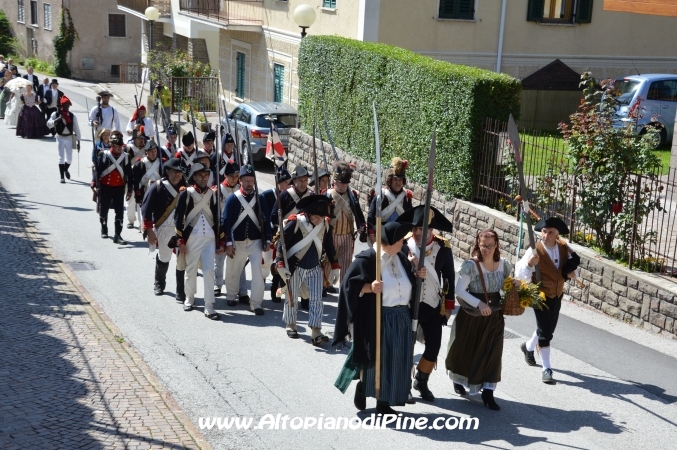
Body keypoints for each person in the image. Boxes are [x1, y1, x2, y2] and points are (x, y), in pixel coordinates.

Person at [333, 221, 425, 415]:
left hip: (401, 318)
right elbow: (348, 286)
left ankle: (385, 402)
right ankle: (364, 387)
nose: (405, 242)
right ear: (391, 242)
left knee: (396, 360)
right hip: (378, 317)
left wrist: (418, 274)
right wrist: (369, 288)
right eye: (401, 240)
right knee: (376, 361)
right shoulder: (367, 259)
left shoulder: (401, 257)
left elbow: (409, 284)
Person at [445, 229, 516, 411]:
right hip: (472, 315)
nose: (487, 249)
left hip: (494, 316)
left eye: (491, 245)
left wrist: (516, 286)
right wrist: (479, 304)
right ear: (478, 243)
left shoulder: (503, 266)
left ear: (496, 245)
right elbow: (459, 290)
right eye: (484, 245)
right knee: (465, 350)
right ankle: (458, 380)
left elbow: (508, 286)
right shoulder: (471, 265)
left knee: (493, 354)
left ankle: (488, 392)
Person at [398, 205, 456, 402]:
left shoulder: (443, 247)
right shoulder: (404, 245)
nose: (417, 232)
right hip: (408, 304)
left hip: (431, 304)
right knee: (406, 346)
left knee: (434, 347)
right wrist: (413, 267)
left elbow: (449, 278)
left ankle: (421, 380)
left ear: (431, 230)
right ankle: (403, 384)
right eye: (415, 228)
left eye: (422, 229)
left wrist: (448, 306)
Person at [515, 217, 580, 384]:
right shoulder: (534, 250)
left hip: (557, 294)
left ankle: (528, 347)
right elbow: (521, 274)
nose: (546, 235)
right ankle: (547, 369)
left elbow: (571, 267)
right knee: (546, 334)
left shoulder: (564, 248)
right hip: (540, 296)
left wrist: (573, 274)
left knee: (548, 329)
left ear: (557, 234)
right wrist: (530, 264)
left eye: (550, 232)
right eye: (544, 232)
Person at [276, 195, 340, 343]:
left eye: (321, 217)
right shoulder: (296, 222)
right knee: (292, 297)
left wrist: (335, 266)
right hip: (295, 266)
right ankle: (291, 324)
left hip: (314, 266)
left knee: (317, 299)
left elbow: (329, 246)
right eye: (316, 217)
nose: (319, 220)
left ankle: (316, 330)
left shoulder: (324, 224)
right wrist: (280, 263)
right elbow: (282, 243)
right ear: (308, 213)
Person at [174, 163, 225, 320]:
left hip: (209, 238)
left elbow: (218, 219)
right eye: (200, 175)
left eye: (206, 175)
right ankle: (189, 298)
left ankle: (209, 305)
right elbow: (178, 218)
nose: (204, 178)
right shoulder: (186, 194)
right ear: (194, 177)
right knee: (191, 271)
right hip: (192, 238)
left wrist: (220, 241)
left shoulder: (213, 194)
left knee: (209, 271)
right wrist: (181, 240)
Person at [221, 164, 272, 315]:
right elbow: (226, 222)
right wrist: (229, 243)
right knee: (233, 269)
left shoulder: (260, 198)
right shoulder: (233, 199)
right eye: (246, 180)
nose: (249, 183)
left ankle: (256, 303)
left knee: (257, 272)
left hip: (255, 242)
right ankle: (231, 295)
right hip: (237, 242)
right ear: (240, 181)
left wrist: (267, 240)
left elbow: (266, 220)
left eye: (251, 180)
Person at [142, 158, 187, 299]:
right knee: (164, 257)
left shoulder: (186, 187)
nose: (177, 175)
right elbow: (146, 210)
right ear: (167, 171)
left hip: (182, 230)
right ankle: (159, 283)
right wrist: (149, 231)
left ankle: (181, 291)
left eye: (179, 172)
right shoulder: (157, 186)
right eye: (174, 171)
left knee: (182, 260)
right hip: (164, 228)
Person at [322, 161, 366, 290]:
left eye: (345, 183)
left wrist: (361, 224)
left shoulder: (352, 196)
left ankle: (344, 291)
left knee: (347, 266)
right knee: (328, 264)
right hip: (332, 236)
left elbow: (358, 212)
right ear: (334, 181)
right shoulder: (327, 195)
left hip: (347, 235)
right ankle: (324, 286)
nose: (343, 185)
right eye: (340, 182)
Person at [214, 160, 247, 299]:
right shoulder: (217, 191)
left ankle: (242, 290)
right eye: (232, 176)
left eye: (237, 176)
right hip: (222, 228)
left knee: (240, 261)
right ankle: (217, 284)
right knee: (219, 258)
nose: (235, 178)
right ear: (225, 176)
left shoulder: (242, 190)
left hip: (238, 228)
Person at [96, 131, 132, 244]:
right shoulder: (104, 155)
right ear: (112, 145)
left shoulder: (126, 157)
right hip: (105, 187)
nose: (120, 148)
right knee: (104, 209)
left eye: (121, 146)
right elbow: (97, 172)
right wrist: (95, 184)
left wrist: (130, 189)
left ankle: (118, 235)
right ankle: (104, 229)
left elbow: (129, 174)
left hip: (119, 188)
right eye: (117, 146)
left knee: (120, 212)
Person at [367, 157, 413, 245]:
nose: (398, 182)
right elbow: (371, 216)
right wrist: (372, 236)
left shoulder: (406, 197)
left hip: (399, 238)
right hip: (381, 237)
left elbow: (410, 219)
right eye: (395, 179)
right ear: (390, 180)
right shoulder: (381, 194)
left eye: (400, 180)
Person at [262, 168, 292, 303]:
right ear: (278, 183)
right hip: (271, 233)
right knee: (266, 262)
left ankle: (277, 289)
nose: (289, 185)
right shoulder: (267, 195)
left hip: (284, 234)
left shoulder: (290, 196)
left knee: (280, 263)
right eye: (286, 182)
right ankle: (262, 277)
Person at [47, 96, 81, 182]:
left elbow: (76, 129)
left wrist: (78, 141)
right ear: (61, 106)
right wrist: (58, 119)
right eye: (65, 105)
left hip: (69, 138)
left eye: (68, 105)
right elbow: (49, 124)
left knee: (69, 159)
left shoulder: (73, 116)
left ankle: (65, 169)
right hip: (60, 138)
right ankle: (62, 177)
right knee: (61, 157)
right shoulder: (56, 114)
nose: (67, 107)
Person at [124, 127, 150, 229]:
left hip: (143, 179)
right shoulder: (128, 149)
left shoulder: (148, 148)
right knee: (130, 201)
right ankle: (130, 220)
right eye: (139, 138)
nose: (141, 140)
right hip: (131, 178)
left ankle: (142, 222)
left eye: (143, 138)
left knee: (143, 201)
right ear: (134, 139)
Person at [132, 142, 162, 210]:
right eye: (151, 151)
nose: (153, 153)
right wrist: (138, 194)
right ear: (146, 152)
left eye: (155, 151)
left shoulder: (161, 163)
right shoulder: (140, 164)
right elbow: (136, 181)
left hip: (158, 192)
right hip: (144, 192)